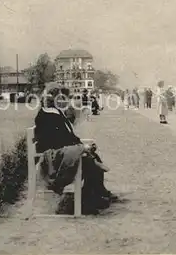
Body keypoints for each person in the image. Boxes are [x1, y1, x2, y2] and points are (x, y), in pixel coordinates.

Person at [34, 82, 117, 215]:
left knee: (91, 156)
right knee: (88, 161)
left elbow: (67, 136)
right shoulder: (47, 116)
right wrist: (81, 146)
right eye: (60, 98)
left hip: (58, 149)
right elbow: (57, 140)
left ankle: (96, 193)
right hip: (51, 154)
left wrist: (82, 145)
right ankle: (89, 200)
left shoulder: (55, 113)